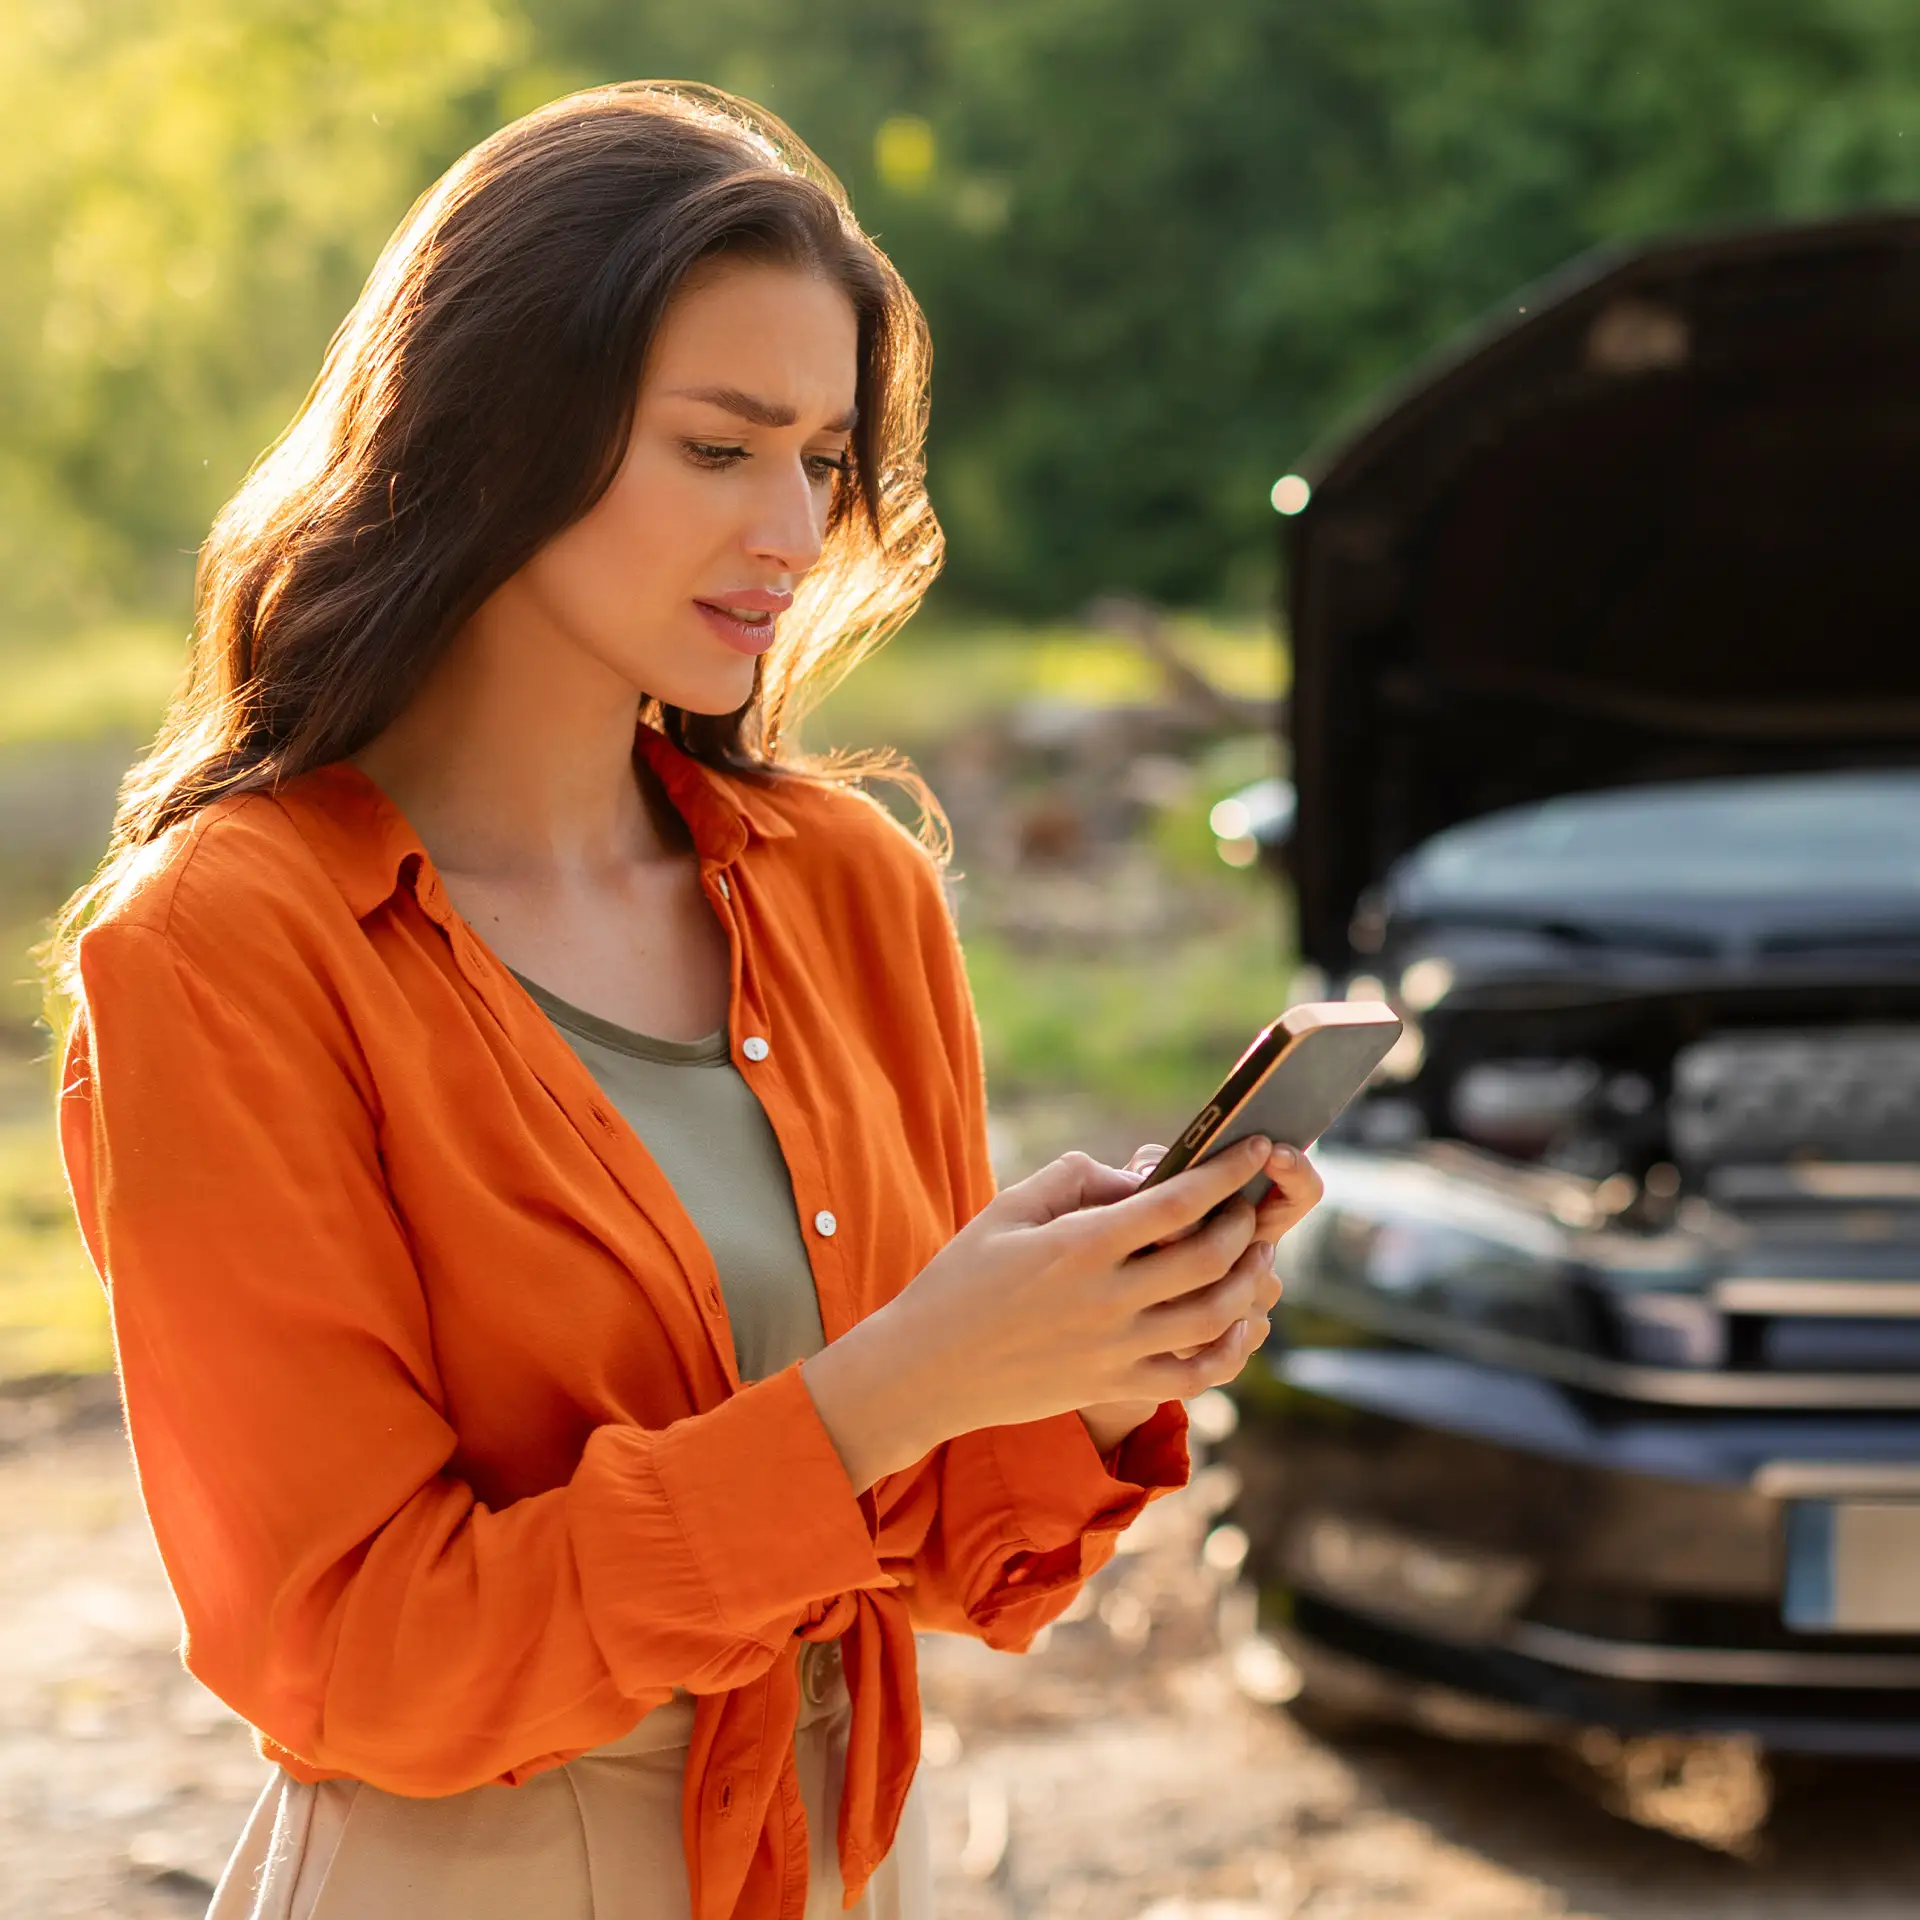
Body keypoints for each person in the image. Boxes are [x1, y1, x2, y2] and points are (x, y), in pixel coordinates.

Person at [47, 83, 1321, 1920]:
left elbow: (952, 1560)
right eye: (719, 449)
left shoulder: (846, 885)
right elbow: (362, 1658)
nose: (794, 531)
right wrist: (898, 1385)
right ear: (496, 436)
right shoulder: (227, 948)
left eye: (820, 458)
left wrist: (1091, 1353)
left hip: (839, 1865)